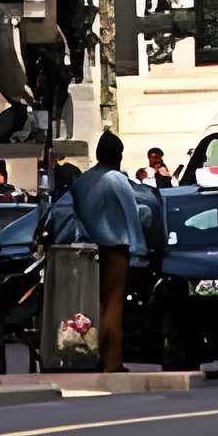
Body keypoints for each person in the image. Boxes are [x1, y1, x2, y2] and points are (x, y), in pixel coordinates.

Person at [70, 129, 149, 373]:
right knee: (113, 304)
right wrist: (140, 250)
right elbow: (131, 215)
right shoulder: (116, 179)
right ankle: (112, 361)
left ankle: (93, 356)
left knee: (94, 305)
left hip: (87, 249)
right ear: (117, 155)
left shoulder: (82, 181)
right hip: (115, 247)